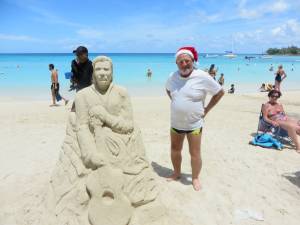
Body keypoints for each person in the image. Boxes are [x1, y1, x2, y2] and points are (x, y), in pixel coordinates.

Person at [165, 47, 224, 191]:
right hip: (176, 123)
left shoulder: (202, 76)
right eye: (181, 61)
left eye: (187, 61)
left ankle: (195, 178)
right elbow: (168, 89)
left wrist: (206, 110)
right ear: (177, 63)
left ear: (193, 61)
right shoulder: (172, 76)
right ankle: (177, 173)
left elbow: (219, 92)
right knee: (175, 150)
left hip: (194, 124)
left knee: (195, 153)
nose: (184, 64)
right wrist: (176, 101)